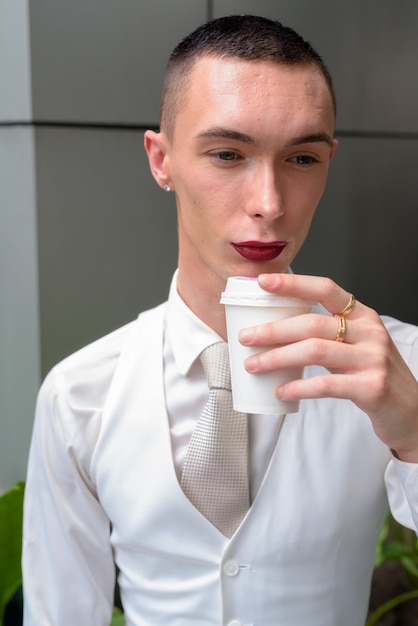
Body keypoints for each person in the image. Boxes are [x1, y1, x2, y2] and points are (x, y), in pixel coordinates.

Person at [22, 14, 418, 626]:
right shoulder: (80, 394)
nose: (269, 202)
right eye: (228, 153)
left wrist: (415, 435)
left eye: (302, 158)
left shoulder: (397, 362)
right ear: (162, 160)